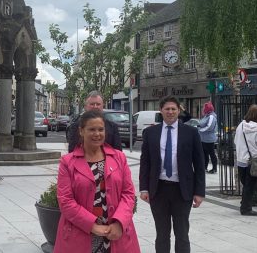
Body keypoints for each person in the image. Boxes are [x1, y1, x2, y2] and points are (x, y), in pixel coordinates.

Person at [55, 110, 141, 253]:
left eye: (101, 129)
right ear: (81, 131)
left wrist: (120, 223)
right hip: (80, 232)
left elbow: (128, 194)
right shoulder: (67, 162)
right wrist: (92, 226)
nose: (97, 134)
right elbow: (65, 200)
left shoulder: (119, 158)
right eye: (92, 129)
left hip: (115, 232)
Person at [139, 96, 205, 253]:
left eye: (173, 109)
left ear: (178, 111)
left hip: (182, 191)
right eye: (167, 109)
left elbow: (199, 163)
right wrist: (144, 188)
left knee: (182, 233)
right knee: (161, 234)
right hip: (158, 189)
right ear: (161, 110)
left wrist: (199, 192)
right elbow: (145, 162)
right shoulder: (150, 133)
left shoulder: (191, 132)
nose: (170, 112)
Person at [233, 104, 257, 216]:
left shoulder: (240, 126)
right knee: (251, 185)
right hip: (253, 162)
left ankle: (244, 203)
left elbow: (235, 142)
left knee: (245, 184)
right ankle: (246, 208)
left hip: (241, 160)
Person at [197, 102, 218, 174]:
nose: (203, 109)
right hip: (203, 139)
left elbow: (209, 127)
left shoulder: (211, 116)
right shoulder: (206, 116)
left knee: (211, 153)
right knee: (204, 154)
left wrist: (200, 130)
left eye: (204, 108)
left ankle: (214, 168)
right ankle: (204, 167)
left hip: (209, 139)